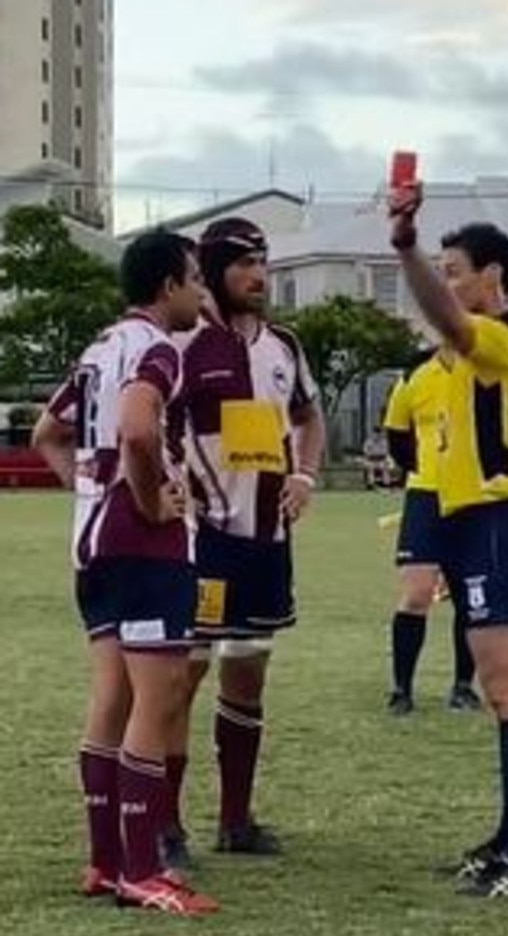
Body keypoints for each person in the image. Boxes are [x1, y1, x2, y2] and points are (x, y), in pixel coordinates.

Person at [32, 230, 218, 915]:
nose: (202, 292)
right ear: (168, 285)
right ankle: (143, 868)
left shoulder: (98, 349)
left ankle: (106, 862)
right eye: (195, 279)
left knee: (110, 696)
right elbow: (140, 429)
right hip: (144, 545)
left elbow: (47, 434)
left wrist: (90, 493)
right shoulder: (156, 348)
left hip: (92, 546)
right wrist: (145, 500)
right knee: (156, 696)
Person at [389, 190, 508, 898]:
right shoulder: (462, 360)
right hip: (468, 525)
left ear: (493, 276)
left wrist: (405, 245)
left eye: (456, 269)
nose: (448, 282)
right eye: (444, 269)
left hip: (500, 525)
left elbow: (453, 323)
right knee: (497, 689)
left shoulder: (507, 343)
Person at [160, 216, 325, 864]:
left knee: (248, 673)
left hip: (267, 539)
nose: (258, 276)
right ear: (215, 271)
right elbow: (151, 424)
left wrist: (306, 474)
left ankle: (236, 820)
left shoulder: (283, 344)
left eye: (264, 264)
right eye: (244, 265)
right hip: (204, 540)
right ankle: (166, 826)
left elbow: (309, 419)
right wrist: (168, 489)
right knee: (181, 678)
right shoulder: (184, 345)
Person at [383, 353, 480, 715]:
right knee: (416, 594)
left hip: (473, 496)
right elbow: (397, 437)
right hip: (425, 495)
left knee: (470, 594)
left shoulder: (486, 370)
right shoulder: (414, 377)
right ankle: (401, 690)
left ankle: (463, 687)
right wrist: (423, 469)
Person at [361, 425, 393, 489]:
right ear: (373, 433)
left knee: (385, 467)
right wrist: (372, 455)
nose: (377, 435)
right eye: (375, 433)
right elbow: (366, 452)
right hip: (370, 460)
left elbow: (385, 452)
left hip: (381, 460)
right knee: (370, 467)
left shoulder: (384, 441)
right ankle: (371, 484)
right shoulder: (368, 441)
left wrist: (375, 454)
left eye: (378, 433)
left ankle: (386, 484)